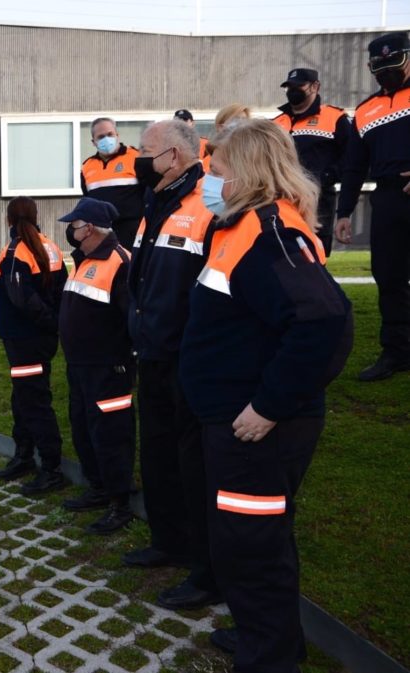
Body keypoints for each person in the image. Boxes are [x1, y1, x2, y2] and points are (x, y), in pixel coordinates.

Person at [180, 118, 352, 672]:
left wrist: (268, 407)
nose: (209, 179)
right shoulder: (240, 227)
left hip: (256, 429)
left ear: (247, 174)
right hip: (232, 422)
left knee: (251, 546)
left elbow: (323, 326)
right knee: (252, 541)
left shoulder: (270, 233)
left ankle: (270, 659)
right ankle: (266, 637)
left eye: (218, 170)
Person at [124, 120, 219, 610]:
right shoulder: (155, 201)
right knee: (157, 454)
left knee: (194, 467)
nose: (137, 159)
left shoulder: (208, 204)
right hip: (152, 352)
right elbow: (141, 275)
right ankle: (169, 541)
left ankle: (206, 571)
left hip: (189, 358)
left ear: (175, 156)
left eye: (145, 150)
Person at [57, 198, 135, 535]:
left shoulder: (120, 261)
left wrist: (120, 361)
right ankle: (98, 487)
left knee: (111, 434)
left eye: (73, 225)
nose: (70, 230)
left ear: (88, 228)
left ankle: (120, 502)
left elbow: (131, 318)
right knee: (84, 428)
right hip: (81, 366)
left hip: (108, 369)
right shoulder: (84, 259)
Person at [337, 31, 410, 381]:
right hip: (388, 197)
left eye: (394, 64)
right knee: (389, 276)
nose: (386, 74)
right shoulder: (365, 111)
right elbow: (353, 167)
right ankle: (397, 352)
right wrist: (343, 212)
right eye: (379, 68)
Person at [0, 196, 69, 496]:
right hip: (41, 339)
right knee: (23, 398)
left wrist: (49, 323)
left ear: (9, 219)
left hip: (25, 341)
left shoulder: (14, 253)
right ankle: (24, 456)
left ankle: (51, 468)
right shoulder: (51, 246)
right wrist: (55, 325)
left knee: (34, 402)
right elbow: (62, 291)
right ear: (36, 216)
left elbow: (23, 301)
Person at [273, 68, 351, 256]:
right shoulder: (276, 123)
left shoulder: (334, 118)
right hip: (282, 201)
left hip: (318, 201)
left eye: (299, 85)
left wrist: (329, 175)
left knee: (315, 258)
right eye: (289, 87)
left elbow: (351, 157)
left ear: (315, 86)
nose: (293, 90)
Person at [80, 118, 145, 248]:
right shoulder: (87, 167)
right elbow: (88, 200)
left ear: (117, 135)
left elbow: (150, 194)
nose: (106, 139)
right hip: (101, 235)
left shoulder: (136, 157)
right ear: (93, 142)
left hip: (133, 233)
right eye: (101, 137)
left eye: (110, 134)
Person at [203, 104, 251, 172]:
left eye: (245, 120)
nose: (242, 125)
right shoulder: (212, 161)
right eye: (236, 120)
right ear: (220, 127)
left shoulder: (253, 157)